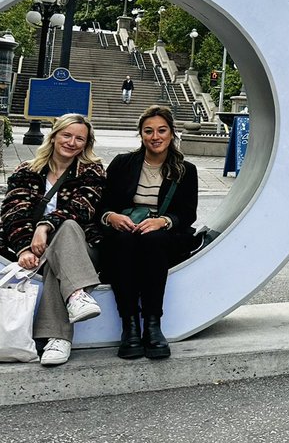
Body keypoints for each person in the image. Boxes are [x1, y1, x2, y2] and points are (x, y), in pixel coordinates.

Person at [0, 113, 106, 367]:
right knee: (54, 267)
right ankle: (69, 313)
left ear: (86, 143)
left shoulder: (92, 171)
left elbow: (83, 208)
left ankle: (61, 328)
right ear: (54, 136)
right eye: (66, 135)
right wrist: (25, 246)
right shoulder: (28, 170)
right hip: (35, 252)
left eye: (79, 138)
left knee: (68, 227)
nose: (72, 142)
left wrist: (45, 227)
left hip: (82, 249)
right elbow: (14, 211)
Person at [100, 105, 199, 360]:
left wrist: (164, 221)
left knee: (153, 240)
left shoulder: (185, 170)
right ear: (141, 134)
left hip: (162, 235)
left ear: (172, 133)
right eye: (148, 131)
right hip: (125, 231)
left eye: (162, 130)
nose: (155, 136)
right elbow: (102, 204)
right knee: (123, 241)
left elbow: (188, 213)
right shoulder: (123, 163)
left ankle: (153, 326)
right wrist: (111, 216)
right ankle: (130, 327)